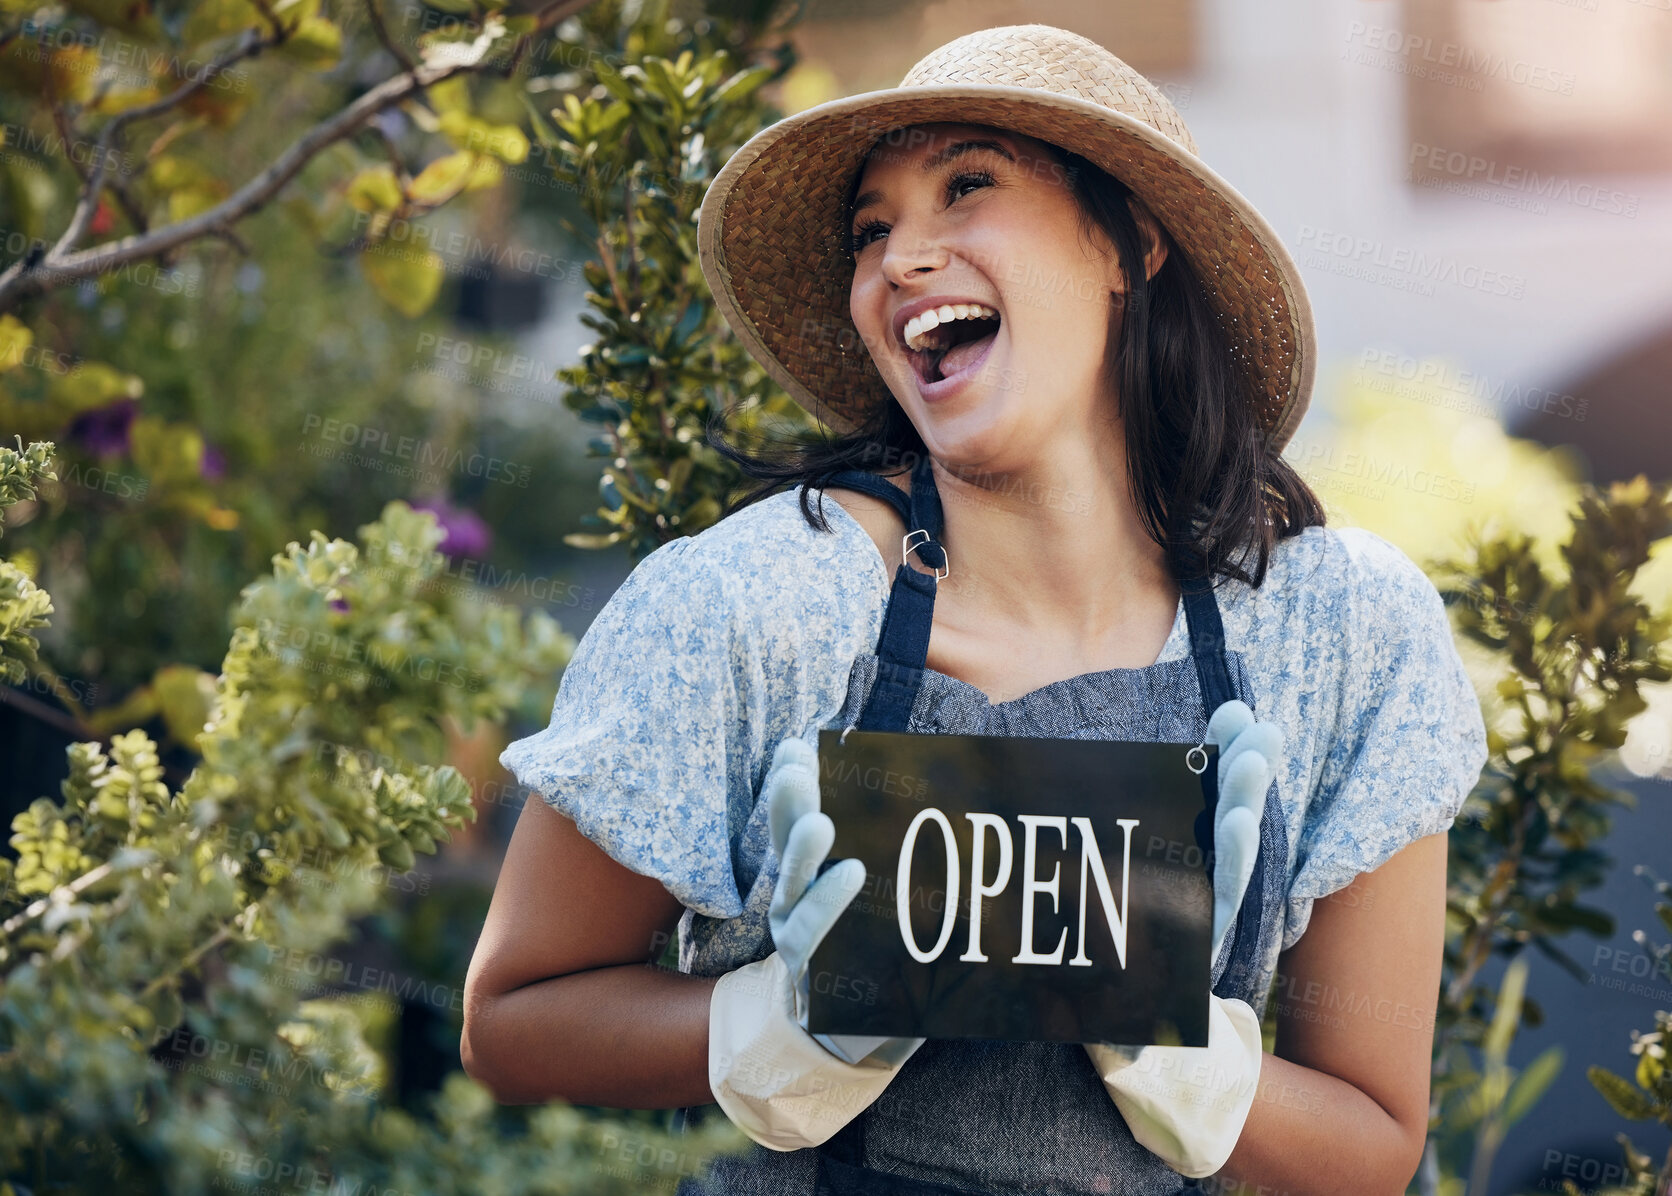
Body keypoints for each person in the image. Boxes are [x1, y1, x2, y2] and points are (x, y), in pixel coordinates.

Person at [461, 23, 1489, 1196]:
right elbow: (511, 1017)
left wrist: (1185, 1056)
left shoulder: (1338, 636)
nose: (902, 259)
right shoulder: (750, 608)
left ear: (1128, 241)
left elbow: (1371, 1140)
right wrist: (774, 1027)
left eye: (966, 185)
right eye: (871, 229)